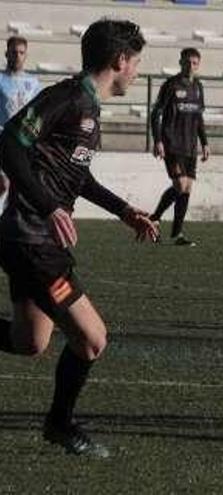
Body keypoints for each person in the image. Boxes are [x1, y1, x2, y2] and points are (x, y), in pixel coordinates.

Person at [0, 19, 157, 457]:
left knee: (28, 341)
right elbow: (9, 144)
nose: (137, 72)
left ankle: (59, 422)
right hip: (32, 240)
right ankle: (60, 424)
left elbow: (77, 176)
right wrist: (49, 206)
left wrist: (124, 211)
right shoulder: (68, 98)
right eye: (136, 63)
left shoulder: (87, 105)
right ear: (119, 60)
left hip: (29, 239)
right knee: (92, 339)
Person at [149, 47, 209, 246]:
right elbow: (155, 113)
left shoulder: (198, 87)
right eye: (187, 62)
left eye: (194, 63)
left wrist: (205, 143)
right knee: (180, 185)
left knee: (186, 189)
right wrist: (158, 140)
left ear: (198, 65)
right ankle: (154, 217)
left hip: (190, 146)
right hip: (172, 143)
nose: (190, 66)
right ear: (180, 62)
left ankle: (177, 234)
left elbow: (198, 117)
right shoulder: (171, 85)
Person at [0, 36, 41, 208]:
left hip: (24, 142)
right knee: (3, 185)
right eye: (14, 52)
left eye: (21, 53)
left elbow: (37, 113)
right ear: (6, 54)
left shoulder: (33, 83)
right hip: (2, 140)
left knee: (21, 189)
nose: (17, 56)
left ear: (26, 56)